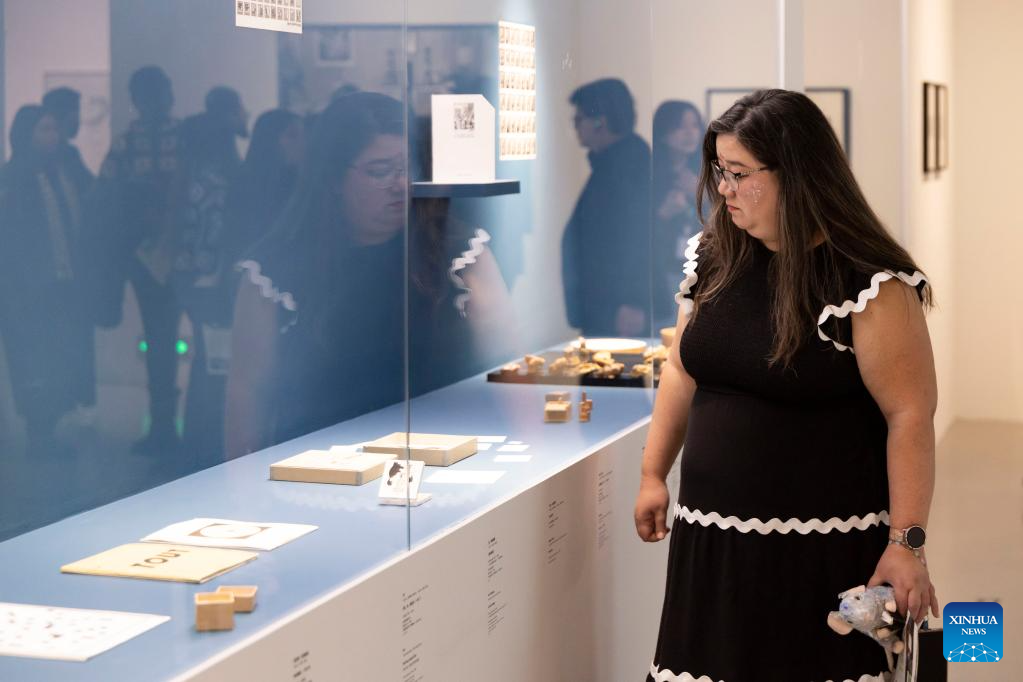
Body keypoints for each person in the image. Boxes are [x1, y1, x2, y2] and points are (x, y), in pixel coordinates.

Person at [635, 89, 939, 681]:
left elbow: (911, 416)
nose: (723, 190)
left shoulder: (870, 285)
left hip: (820, 550)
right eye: (719, 172)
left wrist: (907, 543)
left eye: (740, 174)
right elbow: (682, 365)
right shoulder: (714, 255)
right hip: (713, 544)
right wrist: (652, 473)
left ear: (796, 174)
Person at [225, 92, 511, 458]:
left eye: (407, 167)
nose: (400, 184)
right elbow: (247, 390)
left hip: (448, 460)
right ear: (332, 179)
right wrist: (240, 485)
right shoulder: (276, 270)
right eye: (379, 171)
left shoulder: (458, 251)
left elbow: (508, 365)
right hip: (319, 473)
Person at [0, 106, 96, 453]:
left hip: (63, 284)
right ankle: (38, 431)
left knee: (59, 356)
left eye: (54, 129)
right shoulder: (13, 177)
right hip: (26, 290)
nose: (52, 136)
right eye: (44, 129)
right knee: (32, 360)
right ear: (27, 134)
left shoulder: (61, 172)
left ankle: (50, 425)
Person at [97, 66, 182, 453]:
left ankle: (169, 424)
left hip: (176, 253)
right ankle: (165, 424)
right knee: (160, 338)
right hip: (150, 255)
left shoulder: (172, 139)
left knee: (162, 338)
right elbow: (110, 195)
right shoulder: (132, 142)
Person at [170, 112, 243, 457]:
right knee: (216, 364)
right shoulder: (215, 181)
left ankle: (197, 441)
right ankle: (206, 442)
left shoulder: (188, 176)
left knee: (204, 361)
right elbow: (213, 236)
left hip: (191, 280)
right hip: (211, 282)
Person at [561, 78, 652, 337]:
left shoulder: (626, 166)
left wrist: (633, 300)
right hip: (606, 305)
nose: (576, 127)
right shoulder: (612, 164)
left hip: (617, 309)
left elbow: (638, 234)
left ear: (600, 121)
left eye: (578, 119)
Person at [223, 109, 303, 264]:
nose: (302, 142)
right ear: (270, 139)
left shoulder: (301, 185)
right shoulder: (245, 184)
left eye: (303, 135)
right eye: (292, 135)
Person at [651, 100, 703, 329]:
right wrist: (662, 214)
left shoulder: (709, 171)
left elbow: (725, 221)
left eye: (694, 125)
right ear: (663, 133)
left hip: (701, 270)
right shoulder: (651, 174)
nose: (689, 133)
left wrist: (699, 195)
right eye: (680, 126)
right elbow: (635, 233)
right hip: (663, 272)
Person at [42, 87, 95, 190]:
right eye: (77, 111)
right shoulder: (68, 153)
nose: (79, 119)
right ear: (68, 115)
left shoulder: (69, 152)